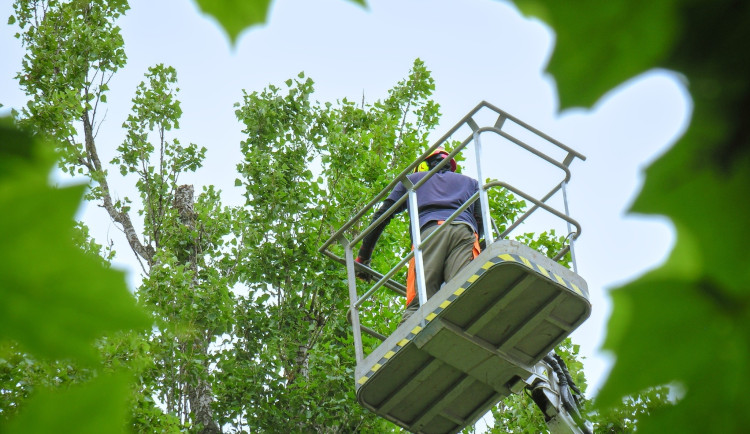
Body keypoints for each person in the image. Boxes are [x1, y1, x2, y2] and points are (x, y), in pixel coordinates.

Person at [355, 147, 484, 322]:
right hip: (465, 232)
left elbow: (382, 217)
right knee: (461, 291)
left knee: (420, 303)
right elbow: (480, 222)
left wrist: (363, 257)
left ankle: (407, 343)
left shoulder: (411, 181)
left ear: (423, 166)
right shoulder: (471, 183)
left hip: (429, 235)